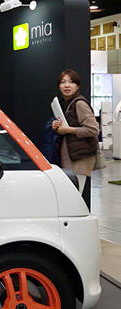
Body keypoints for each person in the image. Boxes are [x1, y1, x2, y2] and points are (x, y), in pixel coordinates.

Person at [51, 69, 99, 209]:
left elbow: (93, 129)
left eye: (71, 82)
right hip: (69, 156)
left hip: (80, 157)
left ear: (77, 86)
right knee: (69, 196)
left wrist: (67, 130)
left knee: (74, 197)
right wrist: (57, 126)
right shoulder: (65, 104)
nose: (67, 85)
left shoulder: (79, 104)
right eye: (63, 82)